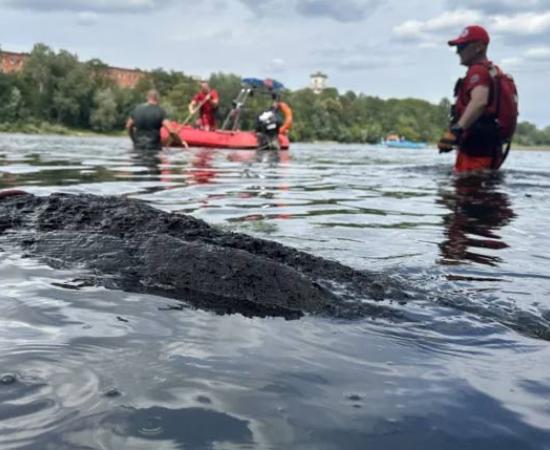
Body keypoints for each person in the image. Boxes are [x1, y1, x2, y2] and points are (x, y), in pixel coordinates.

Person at [438, 25, 518, 172]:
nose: (457, 52)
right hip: (488, 148)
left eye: (462, 47)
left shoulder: (478, 71)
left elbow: (479, 101)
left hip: (476, 149)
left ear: (479, 47)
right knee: (482, 189)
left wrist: (455, 131)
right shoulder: (491, 70)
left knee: (467, 190)